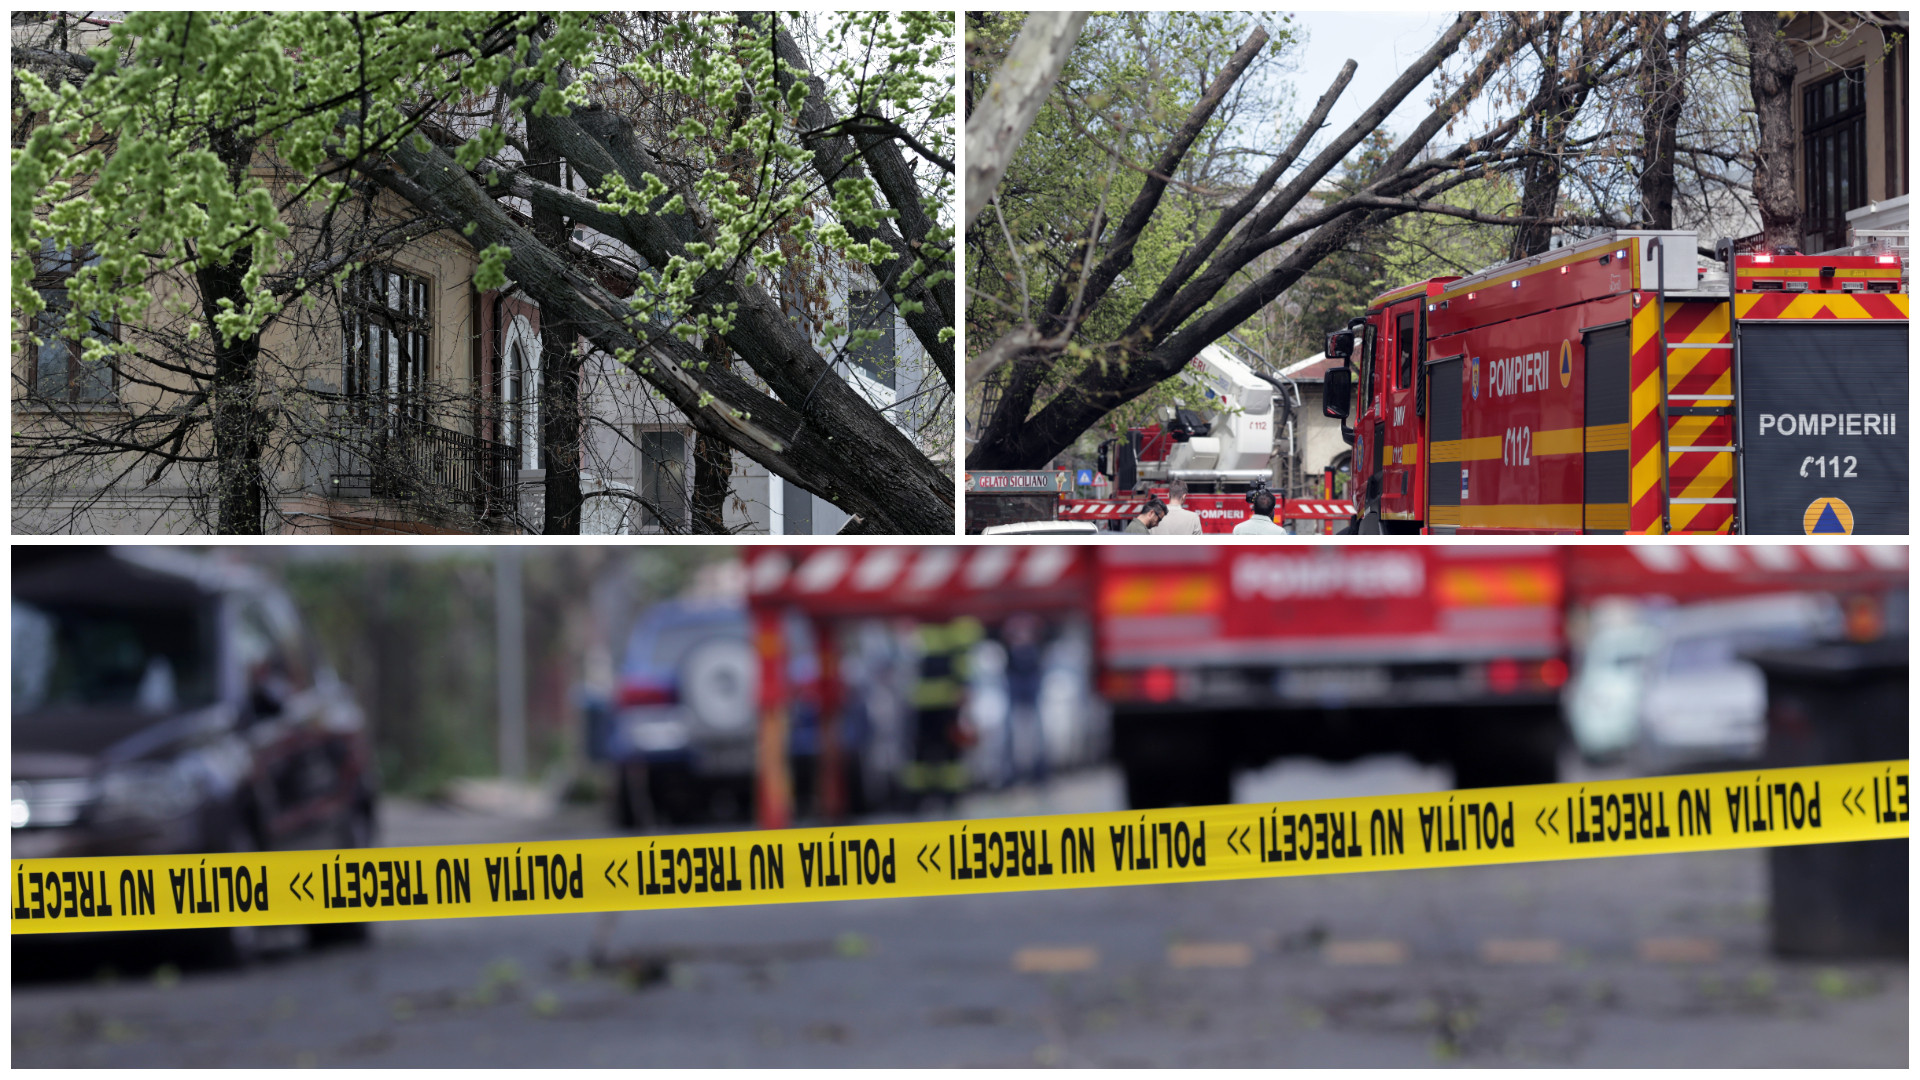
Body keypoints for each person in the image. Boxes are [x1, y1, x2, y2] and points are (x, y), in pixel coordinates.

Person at [904, 616, 981, 811]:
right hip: (931, 703)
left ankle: (943, 798)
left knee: (944, 753)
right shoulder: (929, 629)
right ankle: (925, 798)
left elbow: (963, 660)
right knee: (927, 754)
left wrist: (963, 688)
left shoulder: (949, 629)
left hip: (942, 703)